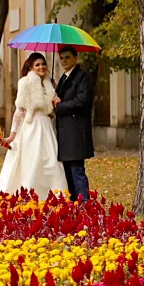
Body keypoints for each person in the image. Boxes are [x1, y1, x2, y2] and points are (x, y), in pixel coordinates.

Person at [0, 52, 68, 199]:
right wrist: (12, 135)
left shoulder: (50, 84)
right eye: (37, 65)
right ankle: (30, 193)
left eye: (43, 64)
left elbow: (51, 109)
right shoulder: (25, 83)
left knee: (51, 161)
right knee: (33, 161)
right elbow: (19, 111)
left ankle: (54, 194)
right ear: (31, 67)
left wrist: (56, 98)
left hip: (47, 126)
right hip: (32, 127)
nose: (42, 67)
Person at [52, 46, 94, 202]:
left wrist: (60, 106)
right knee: (68, 171)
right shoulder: (63, 78)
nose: (64, 61)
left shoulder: (82, 77)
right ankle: (75, 202)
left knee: (77, 170)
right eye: (61, 58)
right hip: (64, 132)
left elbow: (82, 101)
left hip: (76, 131)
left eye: (67, 57)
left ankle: (85, 203)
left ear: (75, 58)